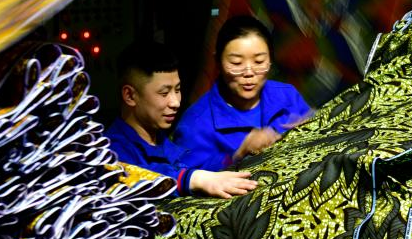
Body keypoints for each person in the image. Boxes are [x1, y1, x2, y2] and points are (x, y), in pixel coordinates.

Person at [104, 41, 258, 199]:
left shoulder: (160, 140)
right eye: (164, 93)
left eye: (177, 90)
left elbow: (197, 169)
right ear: (130, 96)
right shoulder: (109, 154)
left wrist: (237, 154)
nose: (175, 102)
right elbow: (139, 176)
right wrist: (193, 179)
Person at [173, 15, 311, 171]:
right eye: (237, 63)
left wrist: (309, 127)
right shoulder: (195, 124)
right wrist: (237, 156)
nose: (249, 73)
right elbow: (182, 178)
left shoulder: (287, 95)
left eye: (259, 61)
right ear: (218, 62)